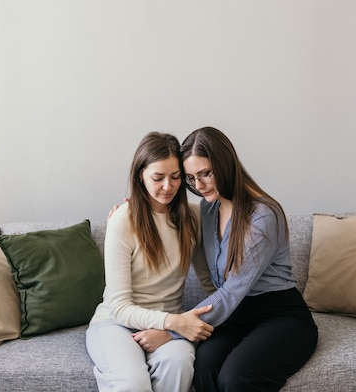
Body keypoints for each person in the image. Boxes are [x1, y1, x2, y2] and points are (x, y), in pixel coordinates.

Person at [180, 126, 318, 392]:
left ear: (225, 163)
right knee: (203, 366)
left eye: (206, 173)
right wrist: (128, 209)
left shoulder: (263, 215)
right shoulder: (208, 208)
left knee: (235, 379)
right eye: (191, 178)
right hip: (235, 316)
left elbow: (232, 290)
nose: (198, 185)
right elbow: (164, 208)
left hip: (281, 316)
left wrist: (172, 328)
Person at [85, 132, 214, 392]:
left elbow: (208, 283)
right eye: (158, 177)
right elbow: (120, 306)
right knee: (133, 382)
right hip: (116, 323)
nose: (168, 186)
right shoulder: (123, 220)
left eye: (176, 177)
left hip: (169, 324)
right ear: (140, 175)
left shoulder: (194, 217)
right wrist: (174, 322)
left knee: (179, 365)